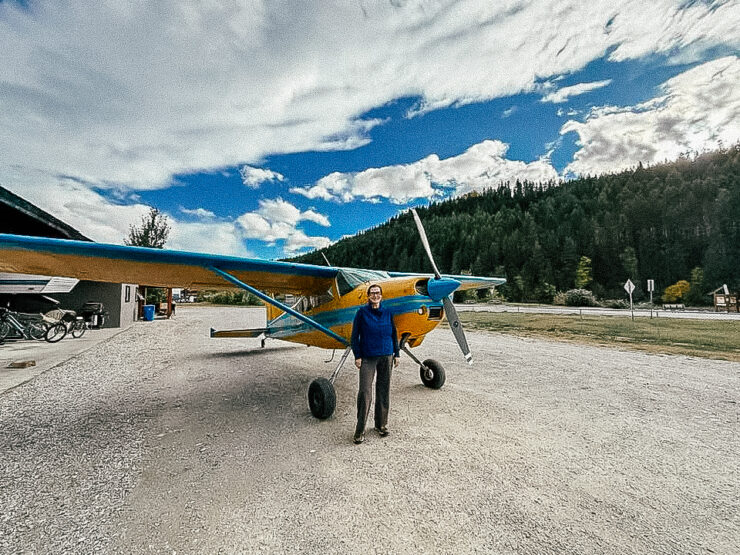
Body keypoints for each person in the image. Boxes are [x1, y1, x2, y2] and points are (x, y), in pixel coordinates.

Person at [350, 284, 400, 444]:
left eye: (378, 293)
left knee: (383, 391)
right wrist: (357, 356)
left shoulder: (387, 312)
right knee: (365, 392)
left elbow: (394, 333)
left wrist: (397, 353)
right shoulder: (361, 313)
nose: (375, 295)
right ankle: (360, 430)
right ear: (368, 296)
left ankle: (381, 425)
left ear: (381, 296)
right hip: (368, 357)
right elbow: (354, 336)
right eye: (372, 293)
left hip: (387, 355)